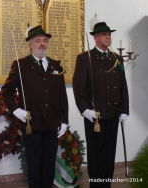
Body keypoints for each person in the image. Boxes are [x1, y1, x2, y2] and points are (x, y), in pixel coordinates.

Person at [1, 25, 69, 188]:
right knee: (34, 163)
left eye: (45, 41)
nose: (42, 44)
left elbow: (62, 96)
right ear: (30, 45)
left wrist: (64, 120)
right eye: (38, 41)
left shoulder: (55, 65)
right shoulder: (20, 64)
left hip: (52, 122)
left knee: (48, 163)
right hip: (31, 123)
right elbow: (7, 90)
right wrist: (16, 110)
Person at [72, 22, 129, 188]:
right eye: (104, 34)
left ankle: (106, 184)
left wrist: (124, 110)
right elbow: (79, 88)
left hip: (113, 113)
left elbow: (122, 86)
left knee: (109, 152)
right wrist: (84, 110)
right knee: (96, 153)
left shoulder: (116, 58)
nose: (108, 37)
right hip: (94, 115)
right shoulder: (85, 58)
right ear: (95, 38)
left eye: (109, 34)